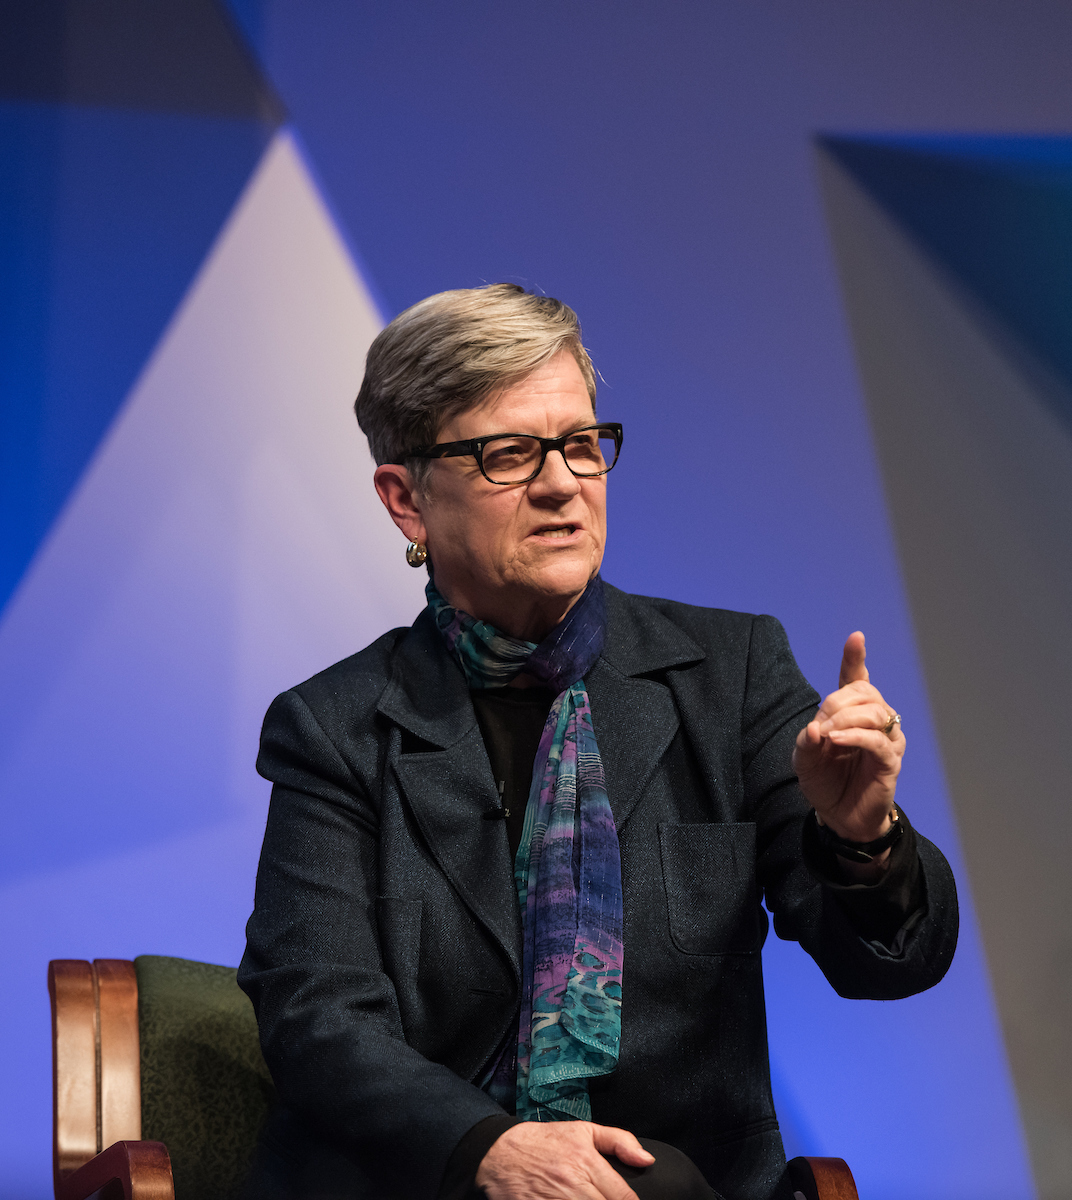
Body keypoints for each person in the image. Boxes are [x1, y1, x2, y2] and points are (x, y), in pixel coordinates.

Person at [238, 284, 959, 1200]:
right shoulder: (335, 727)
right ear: (406, 501)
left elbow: (887, 969)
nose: (560, 482)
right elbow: (316, 1014)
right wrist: (491, 1151)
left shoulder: (729, 676)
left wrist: (864, 840)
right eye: (508, 454)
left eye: (581, 444)